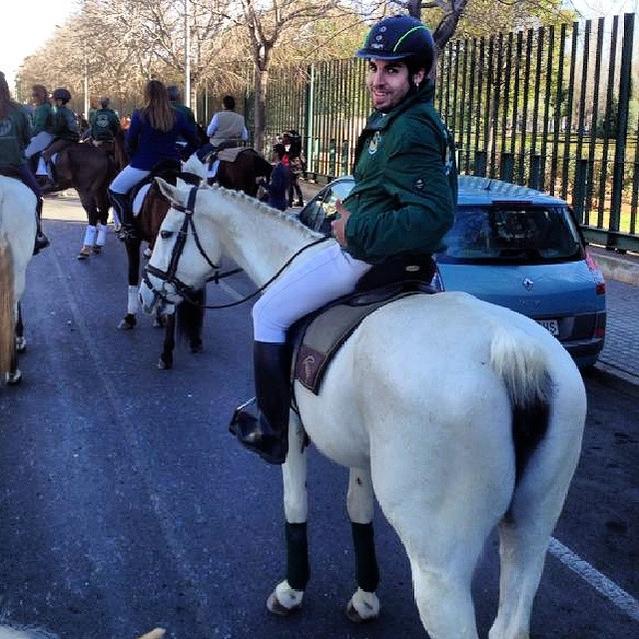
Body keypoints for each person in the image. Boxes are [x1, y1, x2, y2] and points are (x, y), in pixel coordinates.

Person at [230, 14, 458, 464]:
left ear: (419, 74)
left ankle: (273, 432)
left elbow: (433, 217)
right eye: (374, 67)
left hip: (369, 257)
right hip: (387, 252)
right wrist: (353, 208)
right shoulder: (400, 118)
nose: (377, 80)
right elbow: (388, 189)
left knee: (267, 313)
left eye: (392, 70)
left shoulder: (410, 128)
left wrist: (353, 228)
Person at [108, 79, 199, 241]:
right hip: (172, 165)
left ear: (147, 95)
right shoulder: (177, 115)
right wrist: (181, 153)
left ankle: (127, 226)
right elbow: (195, 141)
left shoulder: (139, 114)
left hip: (144, 164)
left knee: (114, 190)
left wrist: (135, 157)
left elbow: (130, 142)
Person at [0, 71, 49, 253]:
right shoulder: (19, 110)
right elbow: (27, 138)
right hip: (14, 165)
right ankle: (37, 235)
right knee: (36, 193)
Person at [41, 88, 79, 187]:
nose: (53, 101)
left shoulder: (59, 112)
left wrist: (47, 130)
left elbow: (57, 128)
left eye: (54, 99)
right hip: (74, 137)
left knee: (46, 154)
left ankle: (50, 180)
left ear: (60, 101)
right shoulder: (68, 111)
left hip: (65, 138)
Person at [24, 84, 54, 169]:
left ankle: (30, 174)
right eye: (33, 95)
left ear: (41, 96)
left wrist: (28, 136)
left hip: (45, 134)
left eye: (35, 95)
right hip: (48, 134)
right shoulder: (45, 106)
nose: (33, 97)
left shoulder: (42, 108)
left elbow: (39, 127)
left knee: (25, 154)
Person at [282, 130, 305, 207]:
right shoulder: (297, 142)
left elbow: (286, 152)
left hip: (291, 164)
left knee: (290, 184)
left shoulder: (289, 143)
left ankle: (290, 202)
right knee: (296, 183)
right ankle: (300, 200)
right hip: (298, 164)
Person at [266, 143, 289, 211]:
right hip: (281, 201)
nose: (271, 154)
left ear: (276, 153)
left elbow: (275, 189)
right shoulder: (283, 167)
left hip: (275, 203)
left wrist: (262, 183)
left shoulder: (278, 169)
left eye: (273, 151)